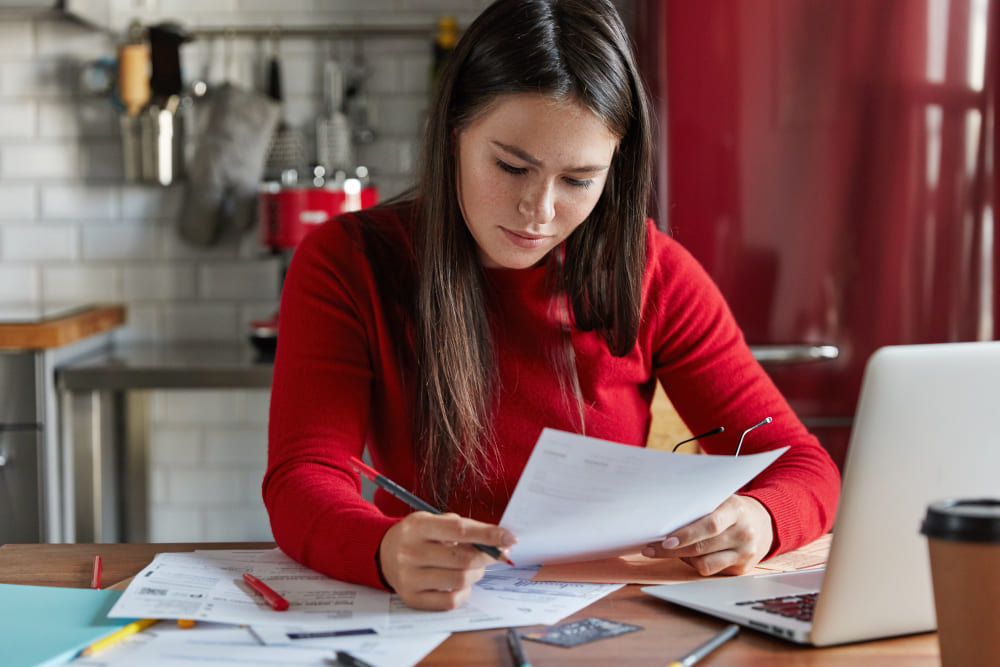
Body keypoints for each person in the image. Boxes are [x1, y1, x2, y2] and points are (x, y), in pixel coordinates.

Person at [263, 0, 840, 612]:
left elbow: (805, 467)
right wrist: (383, 549)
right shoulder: (346, 262)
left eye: (578, 180)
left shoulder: (654, 272)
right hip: (428, 612)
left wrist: (761, 517)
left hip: (607, 619)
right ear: (454, 130)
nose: (538, 210)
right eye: (512, 167)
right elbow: (303, 476)